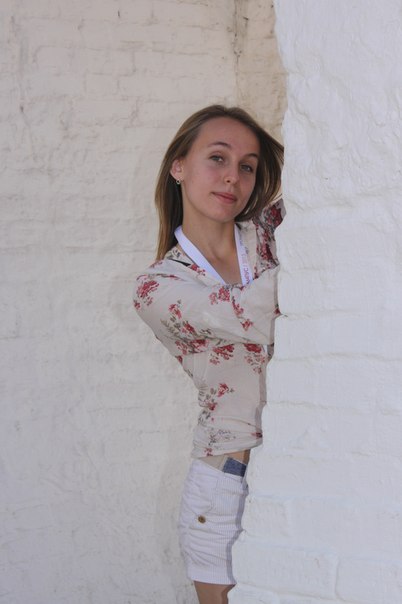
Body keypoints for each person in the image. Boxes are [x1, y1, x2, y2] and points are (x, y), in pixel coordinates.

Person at [133, 105, 283, 604]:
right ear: (178, 166)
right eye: (217, 158)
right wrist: (315, 266)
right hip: (226, 480)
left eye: (247, 166)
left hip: (304, 459)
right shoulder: (157, 287)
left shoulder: (270, 234)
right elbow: (247, 314)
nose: (233, 176)